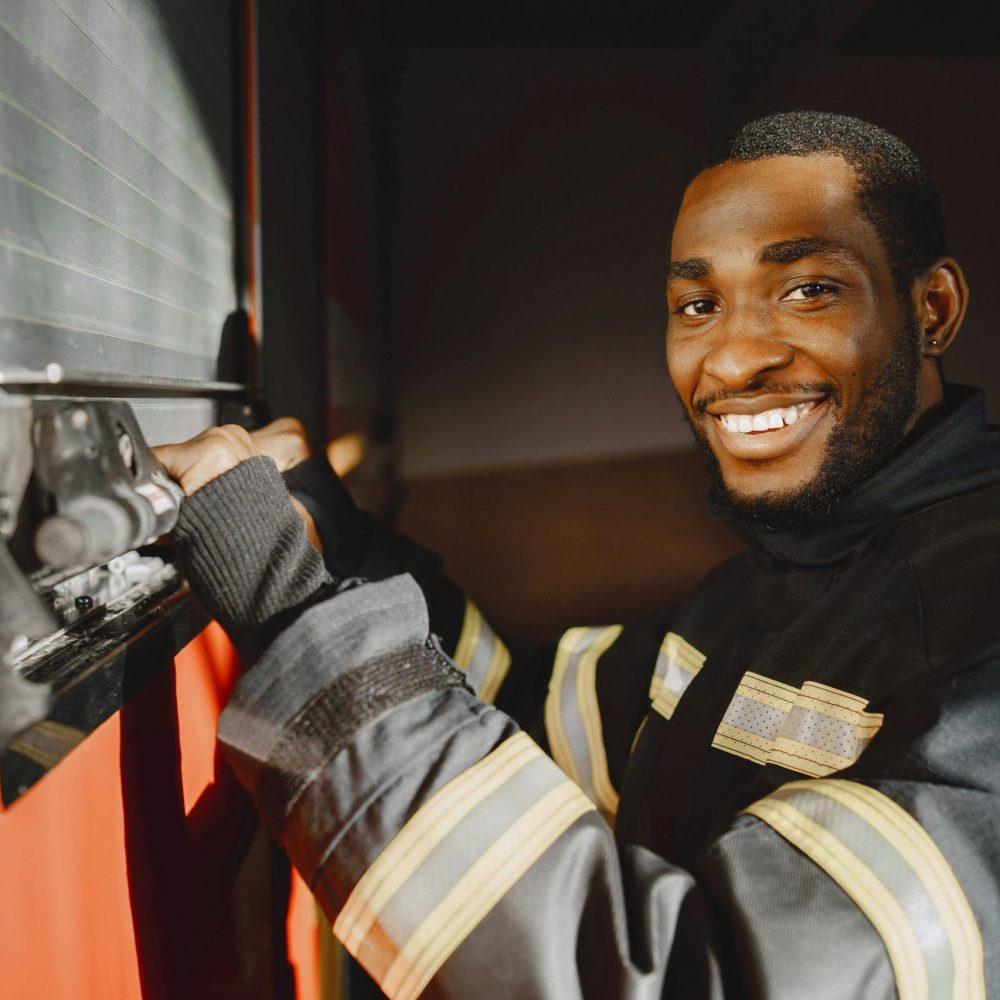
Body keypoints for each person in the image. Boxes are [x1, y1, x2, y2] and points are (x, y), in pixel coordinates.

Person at [155, 111, 999, 998]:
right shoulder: (772, 583)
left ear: (931, 308)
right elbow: (527, 709)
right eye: (698, 305)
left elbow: (686, 980)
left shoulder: (976, 630)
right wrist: (334, 540)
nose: (735, 357)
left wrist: (288, 604)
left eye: (809, 290)